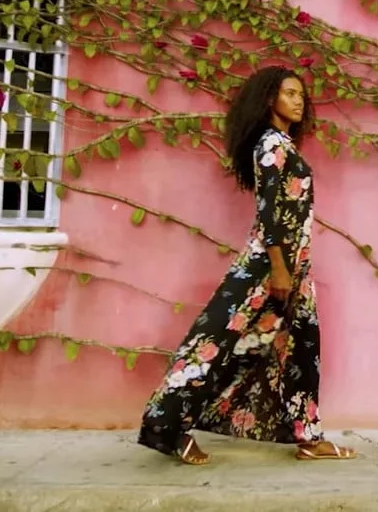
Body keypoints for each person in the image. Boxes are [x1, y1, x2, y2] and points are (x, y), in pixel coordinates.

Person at [137, 65, 357, 465]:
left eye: (300, 95)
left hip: (294, 267)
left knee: (301, 348)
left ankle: (308, 437)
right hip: (266, 266)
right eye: (289, 93)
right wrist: (277, 269)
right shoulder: (271, 145)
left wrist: (293, 269)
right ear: (269, 98)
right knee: (215, 342)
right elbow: (270, 210)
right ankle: (166, 427)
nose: (297, 100)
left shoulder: (283, 145)